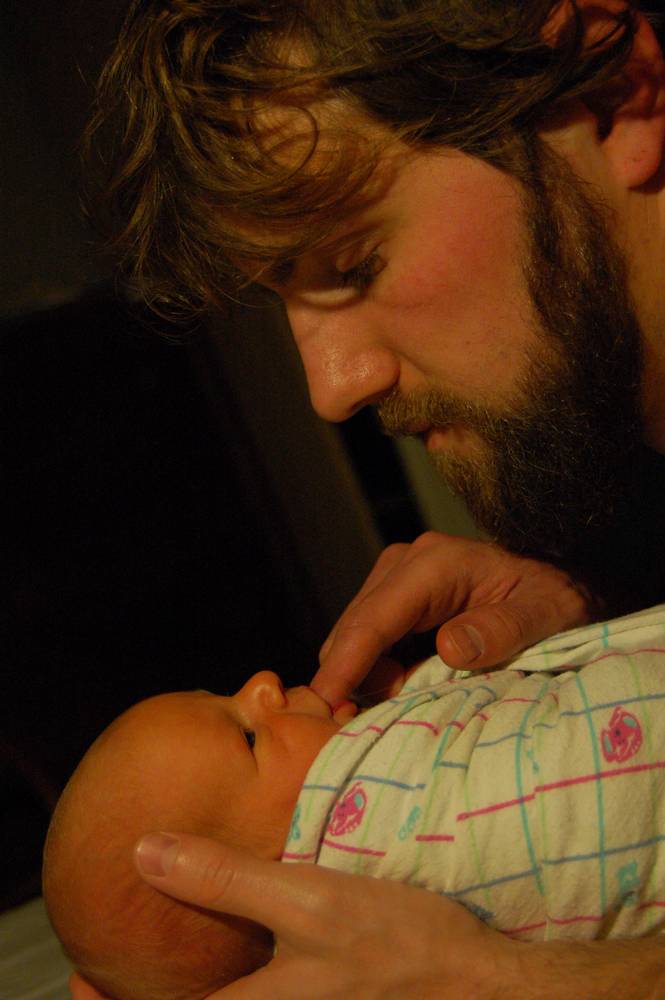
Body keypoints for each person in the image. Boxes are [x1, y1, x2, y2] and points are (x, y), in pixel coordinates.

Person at [72, 0, 665, 996]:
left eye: (354, 263)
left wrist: (530, 983)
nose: (330, 388)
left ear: (610, 96)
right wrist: (599, 602)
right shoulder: (613, 503)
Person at [49, 607, 665, 1000]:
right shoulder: (382, 833)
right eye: (248, 737)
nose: (263, 683)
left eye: (227, 695)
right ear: (280, 879)